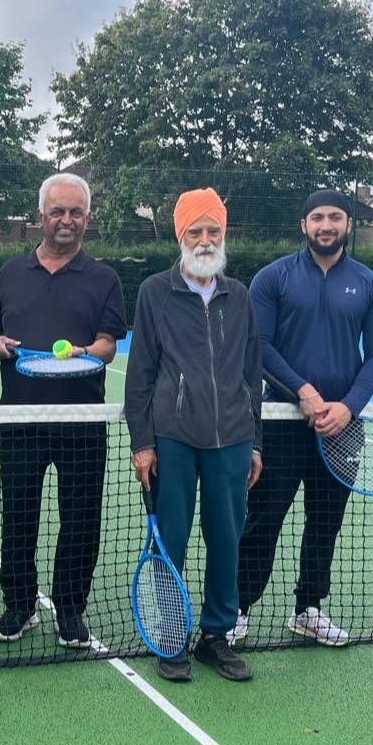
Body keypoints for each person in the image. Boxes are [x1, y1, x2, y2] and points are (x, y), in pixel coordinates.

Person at [238, 190, 373, 647]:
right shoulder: (273, 278)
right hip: (281, 422)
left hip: (344, 427)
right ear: (304, 225)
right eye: (318, 217)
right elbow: (259, 346)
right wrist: (303, 393)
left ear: (348, 224)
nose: (327, 225)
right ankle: (238, 608)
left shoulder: (371, 285)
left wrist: (348, 407)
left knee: (325, 520)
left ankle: (308, 608)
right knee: (263, 519)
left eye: (336, 217)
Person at [0, 173, 126, 648]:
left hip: (82, 421)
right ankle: (19, 606)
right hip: (20, 419)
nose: (66, 220)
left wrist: (87, 352)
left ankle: (69, 608)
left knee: (81, 517)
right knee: (18, 515)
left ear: (87, 218)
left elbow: (108, 344)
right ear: (40, 216)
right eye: (57, 212)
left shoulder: (104, 278)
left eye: (75, 212)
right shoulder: (10, 274)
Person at [124, 188, 263, 684]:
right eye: (194, 232)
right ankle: (172, 635)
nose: (205, 241)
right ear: (181, 237)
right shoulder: (153, 293)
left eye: (213, 231)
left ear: (223, 235)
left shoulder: (240, 295)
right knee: (171, 542)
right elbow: (139, 373)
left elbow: (252, 373)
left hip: (232, 440)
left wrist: (256, 442)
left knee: (226, 540)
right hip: (172, 440)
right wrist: (142, 442)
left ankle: (216, 637)